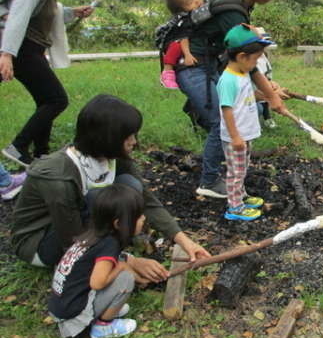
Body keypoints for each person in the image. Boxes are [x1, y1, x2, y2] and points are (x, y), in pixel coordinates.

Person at [10, 94, 210, 276]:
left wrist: (184, 241)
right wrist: (128, 263)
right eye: (128, 136)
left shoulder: (111, 156)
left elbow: (147, 201)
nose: (134, 142)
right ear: (107, 138)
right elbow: (72, 239)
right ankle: (101, 257)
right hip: (42, 243)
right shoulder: (59, 179)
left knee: (130, 186)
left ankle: (110, 249)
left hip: (78, 224)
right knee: (100, 199)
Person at [177, 0, 287, 199]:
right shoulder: (233, 9)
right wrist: (270, 95)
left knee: (243, 111)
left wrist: (266, 92)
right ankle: (208, 181)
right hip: (193, 67)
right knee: (223, 121)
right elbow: (247, 62)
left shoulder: (242, 3)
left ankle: (219, 154)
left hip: (211, 65)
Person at [0, 0, 95, 168]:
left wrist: (73, 12)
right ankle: (18, 147)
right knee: (56, 100)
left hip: (28, 47)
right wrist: (7, 55)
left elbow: (43, 13)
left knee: (46, 99)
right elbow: (18, 19)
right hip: (23, 48)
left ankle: (42, 154)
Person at [48, 184, 143, 338]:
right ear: (118, 224)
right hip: (73, 316)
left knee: (118, 269)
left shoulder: (92, 236)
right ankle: (103, 326)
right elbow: (97, 284)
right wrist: (121, 267)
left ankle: (104, 308)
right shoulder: (109, 244)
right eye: (138, 217)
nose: (143, 219)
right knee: (125, 278)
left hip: (61, 306)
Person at [217, 25, 272, 221]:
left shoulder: (242, 74)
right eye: (255, 59)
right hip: (236, 137)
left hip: (244, 134)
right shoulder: (228, 80)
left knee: (242, 168)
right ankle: (235, 207)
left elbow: (245, 98)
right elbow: (226, 109)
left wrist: (267, 95)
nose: (256, 63)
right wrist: (235, 136)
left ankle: (240, 196)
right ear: (241, 57)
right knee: (236, 172)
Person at [158, 0, 204, 89]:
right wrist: (187, 55)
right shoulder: (184, 19)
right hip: (174, 39)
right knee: (176, 46)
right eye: (190, 2)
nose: (196, 1)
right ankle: (167, 72)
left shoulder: (201, 10)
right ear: (182, 9)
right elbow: (183, 37)